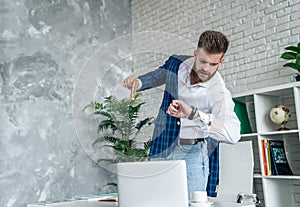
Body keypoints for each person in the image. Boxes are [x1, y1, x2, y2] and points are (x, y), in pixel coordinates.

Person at [122, 30, 241, 199]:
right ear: (195, 54)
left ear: (221, 62)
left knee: (190, 203)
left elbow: (233, 134)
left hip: (192, 153)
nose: (206, 69)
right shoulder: (177, 63)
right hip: (162, 145)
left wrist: (194, 114)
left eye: (213, 64)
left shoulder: (218, 92)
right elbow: (160, 75)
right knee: (155, 200)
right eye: (202, 61)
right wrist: (138, 82)